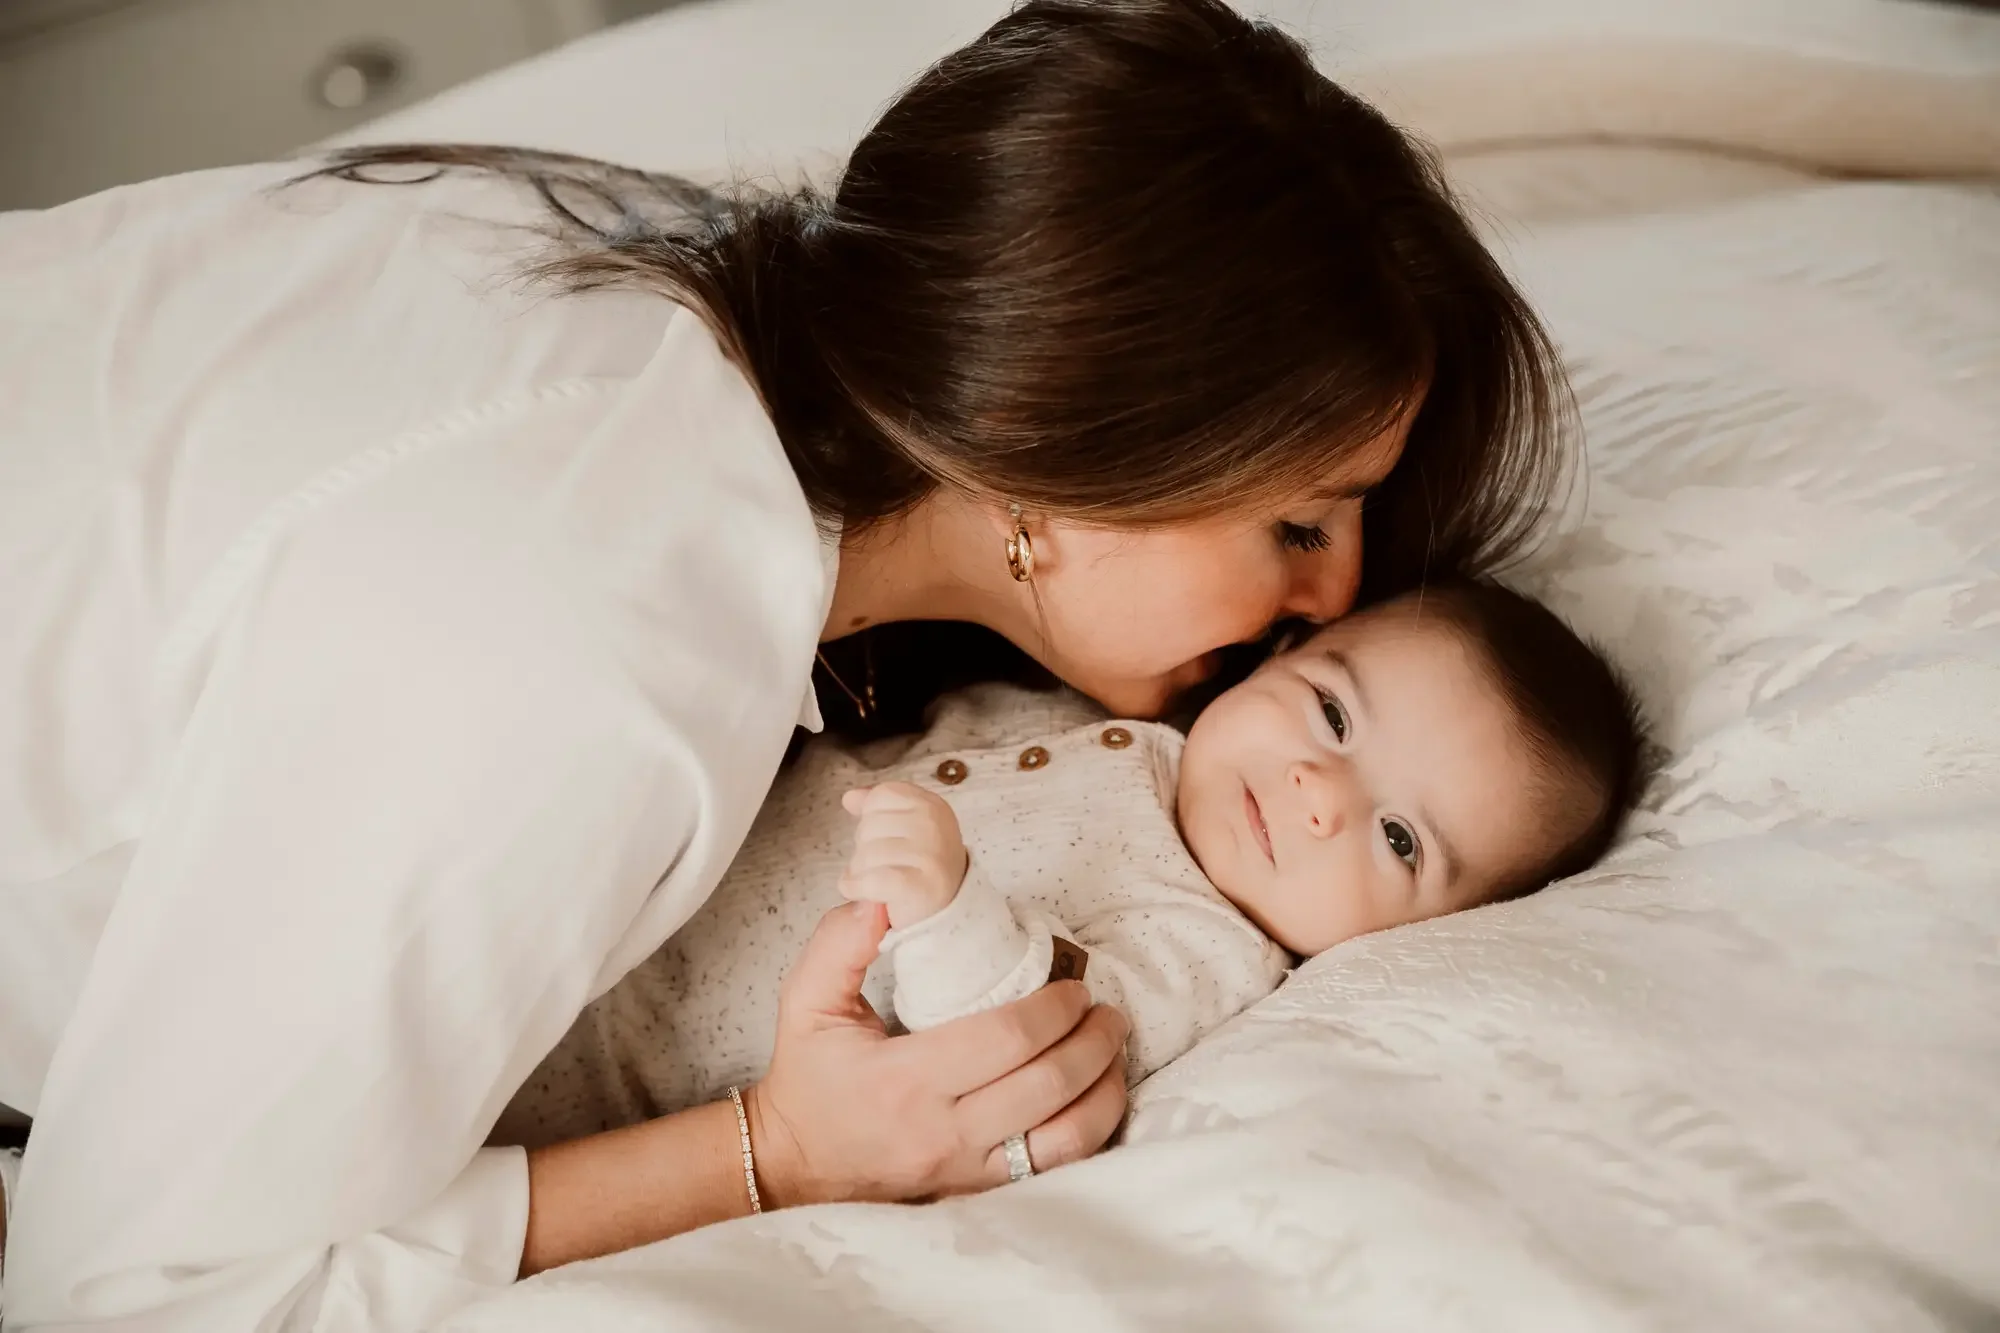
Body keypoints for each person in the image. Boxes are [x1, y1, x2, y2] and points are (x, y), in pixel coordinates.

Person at [0, 1, 1571, 1329]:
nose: (1334, 596)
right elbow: (135, 1293)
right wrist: (774, 1153)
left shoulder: (664, 272)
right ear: (1068, 446)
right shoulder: (594, 652)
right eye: (1302, 519)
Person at [497, 581, 1647, 1149]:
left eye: (1398, 840)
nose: (1318, 792)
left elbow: (1029, 1041)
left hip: (624, 1071)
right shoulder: (1112, 709)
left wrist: (948, 912)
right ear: (1282, 652)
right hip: (612, 880)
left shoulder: (1208, 951)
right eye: (1332, 716)